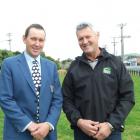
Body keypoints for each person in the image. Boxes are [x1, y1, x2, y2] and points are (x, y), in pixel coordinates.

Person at [62, 22, 135, 140]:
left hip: (111, 132)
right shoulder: (74, 68)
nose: (84, 42)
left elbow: (127, 97)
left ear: (97, 35)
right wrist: (79, 121)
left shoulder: (115, 63)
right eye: (80, 39)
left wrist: (111, 124)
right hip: (82, 133)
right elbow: (66, 99)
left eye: (88, 36)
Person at [0, 24, 62, 140]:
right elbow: (5, 99)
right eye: (33, 39)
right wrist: (29, 124)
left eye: (41, 40)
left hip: (46, 134)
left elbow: (57, 99)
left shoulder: (51, 66)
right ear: (24, 39)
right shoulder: (9, 64)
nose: (37, 44)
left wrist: (48, 124)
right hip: (18, 133)